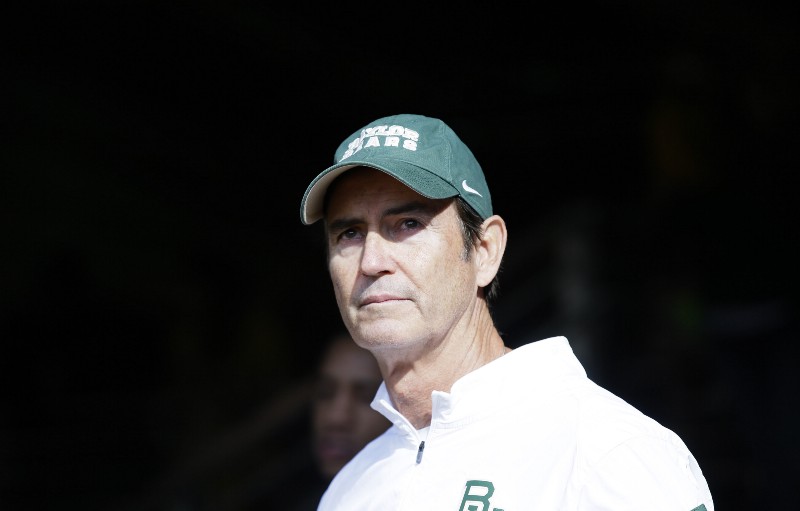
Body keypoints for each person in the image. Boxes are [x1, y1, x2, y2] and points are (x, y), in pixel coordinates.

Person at [298, 113, 714, 510]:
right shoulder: (350, 489)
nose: (372, 261)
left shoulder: (606, 452)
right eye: (349, 233)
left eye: (407, 224)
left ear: (485, 251)